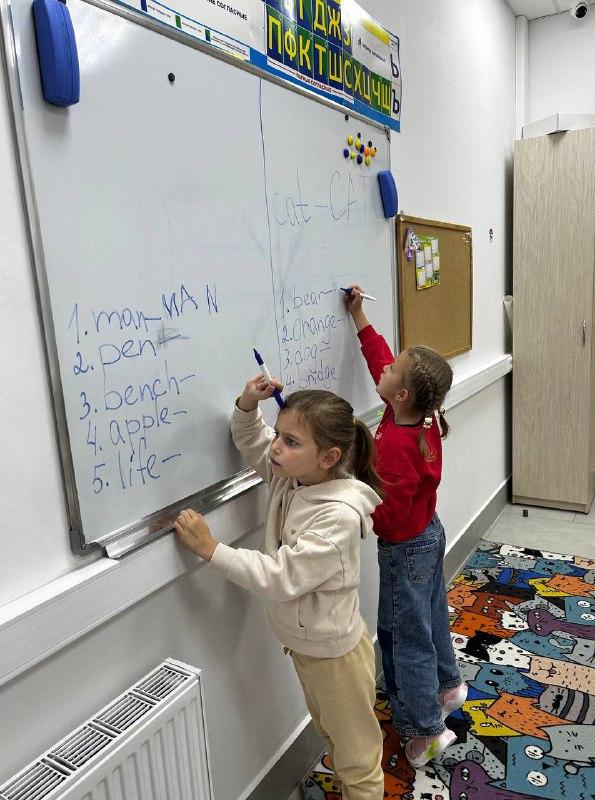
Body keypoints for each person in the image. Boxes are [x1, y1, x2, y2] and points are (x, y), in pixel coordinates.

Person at [174, 375, 385, 799]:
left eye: (290, 442)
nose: (275, 448)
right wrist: (247, 403)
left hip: (335, 655)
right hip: (307, 647)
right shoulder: (292, 479)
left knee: (358, 758)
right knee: (332, 733)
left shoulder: (337, 517)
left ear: (328, 457)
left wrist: (212, 549)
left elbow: (281, 577)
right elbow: (253, 439)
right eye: (279, 434)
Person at [344, 285, 467, 768]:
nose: (385, 366)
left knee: (403, 638)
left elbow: (388, 515)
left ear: (401, 395)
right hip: (427, 535)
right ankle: (448, 686)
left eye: (393, 367)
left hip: (405, 547)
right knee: (430, 615)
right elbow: (381, 364)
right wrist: (360, 318)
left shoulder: (395, 443)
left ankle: (425, 731)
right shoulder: (421, 416)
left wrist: (353, 485)